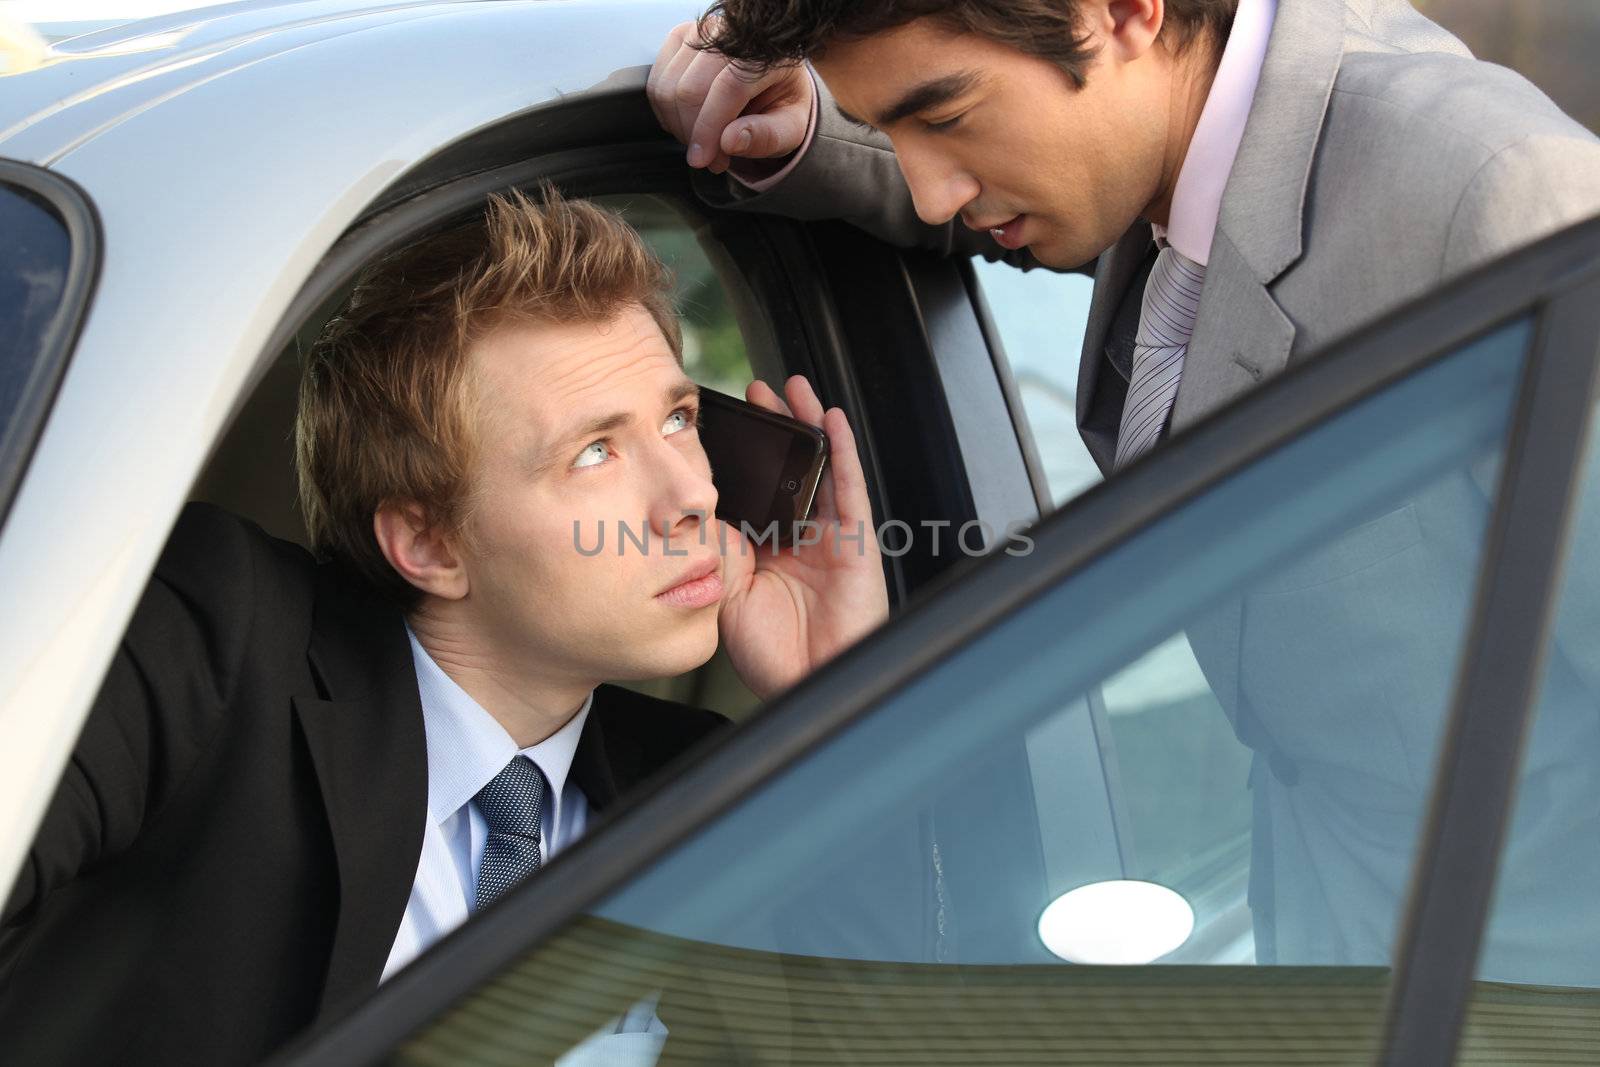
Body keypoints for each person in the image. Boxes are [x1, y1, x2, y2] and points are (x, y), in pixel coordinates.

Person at [649, 0, 1600, 974]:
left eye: (940, 117)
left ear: (1123, 12)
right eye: (893, 127)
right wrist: (803, 123)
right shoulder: (1172, 130)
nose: (931, 192)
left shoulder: (1503, 202)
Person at [0, 187, 889, 1066]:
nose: (694, 495)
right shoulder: (219, 638)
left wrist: (849, 698)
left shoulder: (703, 781)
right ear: (428, 542)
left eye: (678, 418)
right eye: (594, 452)